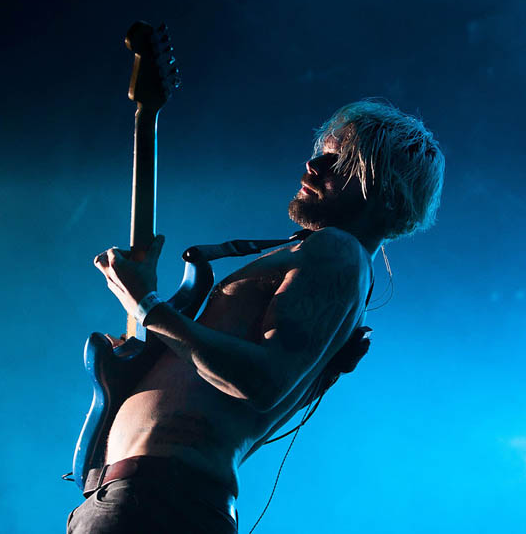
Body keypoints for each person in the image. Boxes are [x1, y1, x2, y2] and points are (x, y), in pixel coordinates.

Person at [67, 99, 445, 533]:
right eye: (322, 150)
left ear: (386, 192)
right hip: (144, 497)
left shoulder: (337, 250)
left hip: (156, 502)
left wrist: (149, 307)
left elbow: (261, 382)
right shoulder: (326, 265)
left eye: (339, 158)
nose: (315, 162)